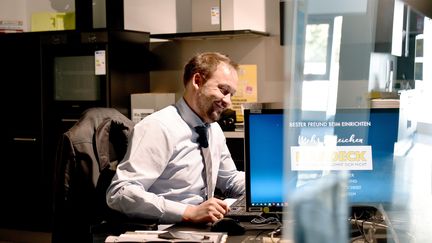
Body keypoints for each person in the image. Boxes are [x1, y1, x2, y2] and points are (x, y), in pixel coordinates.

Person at [106, 52, 245, 224]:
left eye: (232, 94)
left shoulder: (213, 129)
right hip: (166, 229)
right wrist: (188, 212)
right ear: (197, 81)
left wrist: (267, 188)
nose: (228, 102)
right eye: (224, 90)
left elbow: (229, 179)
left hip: (202, 227)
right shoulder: (158, 127)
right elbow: (120, 193)